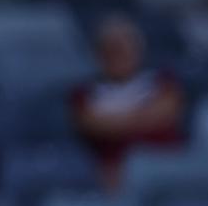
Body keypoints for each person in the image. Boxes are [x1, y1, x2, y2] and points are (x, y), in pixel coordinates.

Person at [70, 15, 184, 189]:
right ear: (98, 55)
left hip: (164, 166)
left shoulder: (161, 82)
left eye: (123, 48)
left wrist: (116, 121)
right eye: (110, 50)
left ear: (137, 50)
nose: (117, 56)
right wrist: (142, 116)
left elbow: (167, 111)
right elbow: (92, 124)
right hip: (114, 173)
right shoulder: (84, 93)